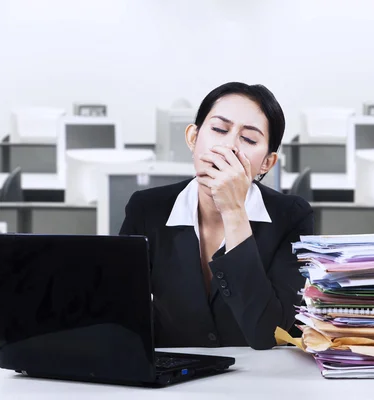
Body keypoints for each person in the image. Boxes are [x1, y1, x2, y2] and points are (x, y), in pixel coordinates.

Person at [119, 82, 314, 350]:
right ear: (192, 137)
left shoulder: (292, 217)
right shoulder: (147, 208)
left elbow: (266, 333)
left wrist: (234, 211)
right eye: (219, 130)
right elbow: (122, 313)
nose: (228, 146)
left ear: (267, 163)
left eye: (248, 139)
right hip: (175, 381)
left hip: (262, 378)